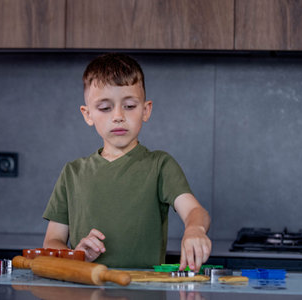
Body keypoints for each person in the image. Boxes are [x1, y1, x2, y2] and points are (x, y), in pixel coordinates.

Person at [42, 53, 211, 270]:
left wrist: (195, 229)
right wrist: (76, 255)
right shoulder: (72, 172)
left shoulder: (160, 165)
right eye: (105, 108)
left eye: (129, 106)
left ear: (146, 110)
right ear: (88, 114)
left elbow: (195, 211)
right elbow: (51, 242)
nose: (118, 116)